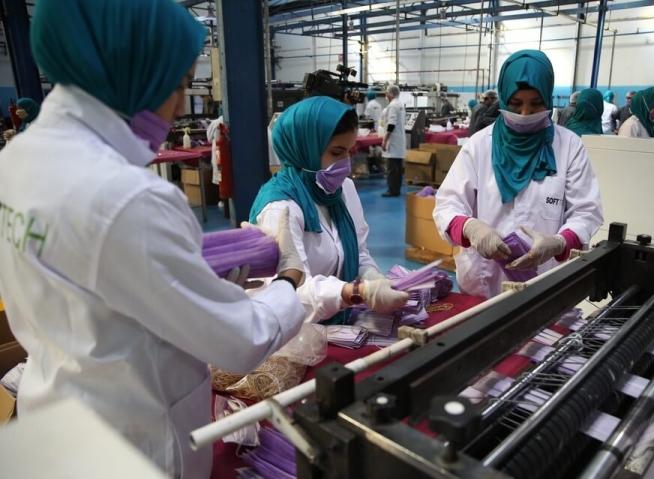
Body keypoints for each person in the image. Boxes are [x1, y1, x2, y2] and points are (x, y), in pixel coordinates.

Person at [0, 1, 308, 477]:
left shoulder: (17, 160)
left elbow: (94, 280)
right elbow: (241, 341)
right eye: (179, 84)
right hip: (132, 444)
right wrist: (288, 279)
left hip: (56, 414)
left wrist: (188, 277)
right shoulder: (125, 196)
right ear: (132, 68)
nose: (181, 107)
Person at [433, 50, 603, 299]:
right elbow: (448, 205)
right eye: (515, 104)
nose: (524, 113)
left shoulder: (569, 146)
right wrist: (471, 228)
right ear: (503, 98)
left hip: (544, 281)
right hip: (483, 281)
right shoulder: (479, 145)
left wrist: (560, 242)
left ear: (548, 98)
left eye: (535, 104)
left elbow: (586, 211)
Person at [250, 97, 409, 324]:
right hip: (294, 332)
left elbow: (358, 251)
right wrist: (356, 292)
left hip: (336, 321)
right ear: (304, 149)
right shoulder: (280, 208)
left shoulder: (343, 189)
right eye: (336, 152)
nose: (346, 163)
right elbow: (289, 293)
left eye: (349, 152)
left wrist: (372, 276)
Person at [381, 84, 406, 197]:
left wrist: (385, 140)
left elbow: (391, 124)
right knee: (397, 168)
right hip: (399, 140)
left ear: (391, 94)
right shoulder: (400, 104)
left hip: (393, 140)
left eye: (387, 93)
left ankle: (392, 190)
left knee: (392, 168)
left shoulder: (392, 106)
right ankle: (396, 189)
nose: (386, 95)